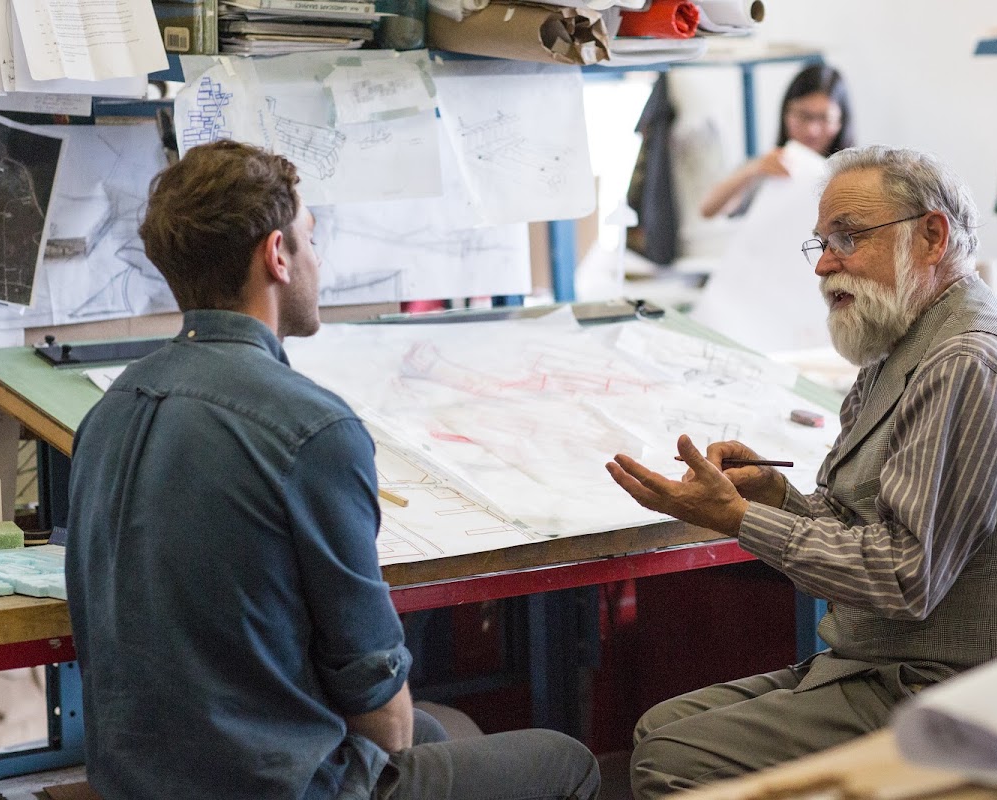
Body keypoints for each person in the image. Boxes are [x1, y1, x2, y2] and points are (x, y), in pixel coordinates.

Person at [64, 140, 600, 800]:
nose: (318, 260)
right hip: (276, 787)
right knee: (565, 759)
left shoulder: (110, 407)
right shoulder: (310, 428)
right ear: (277, 255)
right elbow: (376, 699)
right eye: (311, 239)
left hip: (137, 782)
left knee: (447, 728)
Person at [607, 145, 997, 798]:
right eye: (822, 244)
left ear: (932, 235)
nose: (826, 263)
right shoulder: (898, 351)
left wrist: (740, 520)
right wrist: (772, 495)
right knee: (663, 726)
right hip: (891, 668)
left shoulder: (967, 365)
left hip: (969, 693)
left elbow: (903, 576)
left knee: (675, 757)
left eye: (848, 238)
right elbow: (859, 522)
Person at [698, 63, 855, 219]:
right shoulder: (770, 168)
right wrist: (754, 169)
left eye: (824, 118)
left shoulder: (858, 176)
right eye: (803, 116)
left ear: (841, 121)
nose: (811, 130)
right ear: (786, 113)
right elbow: (708, 209)